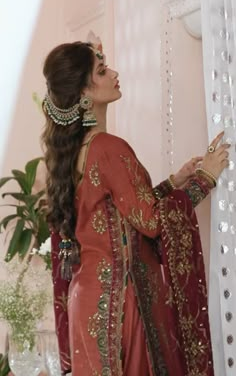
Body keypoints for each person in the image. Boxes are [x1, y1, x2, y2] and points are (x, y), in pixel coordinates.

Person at [41, 41, 229, 376]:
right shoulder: (108, 148)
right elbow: (154, 223)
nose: (114, 73)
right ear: (84, 93)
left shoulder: (73, 152)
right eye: (102, 71)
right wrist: (206, 177)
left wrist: (174, 182)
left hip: (87, 300)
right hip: (120, 304)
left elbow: (121, 214)